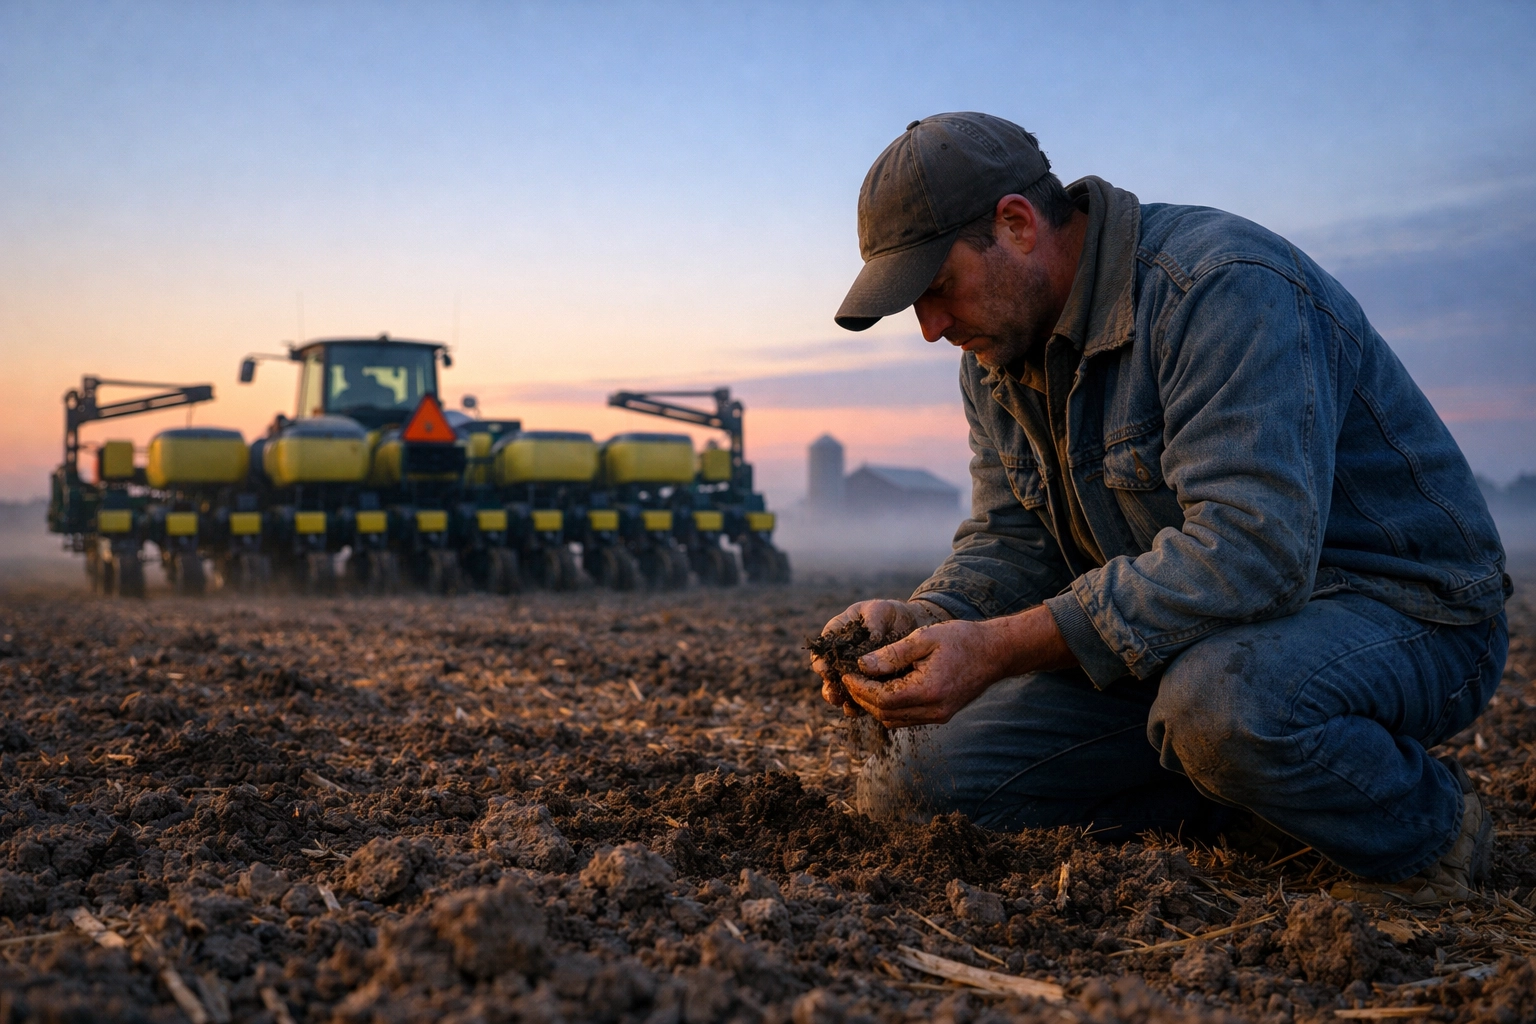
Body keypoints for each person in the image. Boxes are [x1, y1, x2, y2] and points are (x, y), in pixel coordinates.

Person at [811, 112, 1510, 906]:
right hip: (1183, 638)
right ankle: (1253, 798)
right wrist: (926, 614)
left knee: (1221, 707)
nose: (931, 329)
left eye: (938, 288)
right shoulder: (998, 357)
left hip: (1397, 614)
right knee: (918, 783)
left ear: (1017, 224)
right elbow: (1012, 538)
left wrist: (1001, 648)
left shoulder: (1220, 288)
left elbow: (1254, 552)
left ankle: (1429, 832)